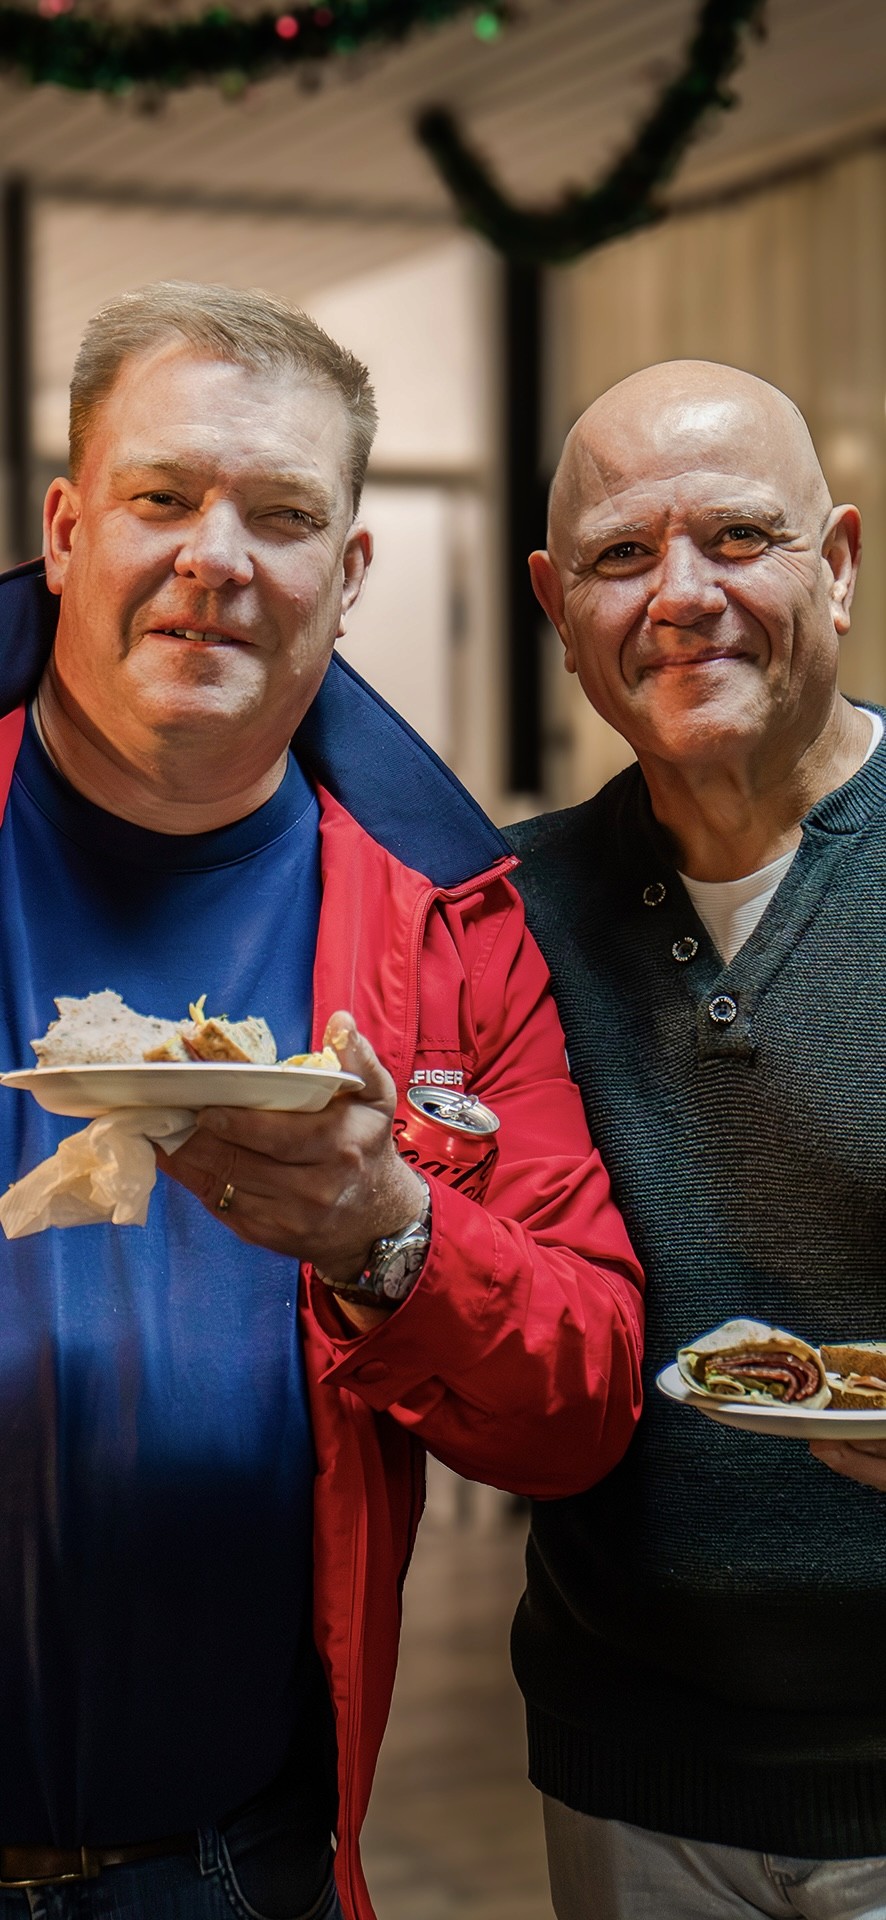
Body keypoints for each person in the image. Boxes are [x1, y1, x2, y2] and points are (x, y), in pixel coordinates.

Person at [0, 281, 644, 1920]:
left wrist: (394, 1241)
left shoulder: (454, 926)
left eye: (281, 514)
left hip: (231, 1864)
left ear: (349, 574)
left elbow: (576, 1406)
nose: (216, 555)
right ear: (67, 528)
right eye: (162, 497)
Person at [506, 359, 886, 1920]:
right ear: (554, 601)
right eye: (618, 554)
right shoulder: (501, 915)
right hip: (628, 1764)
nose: (680, 598)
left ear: (839, 565)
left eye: (737, 538)